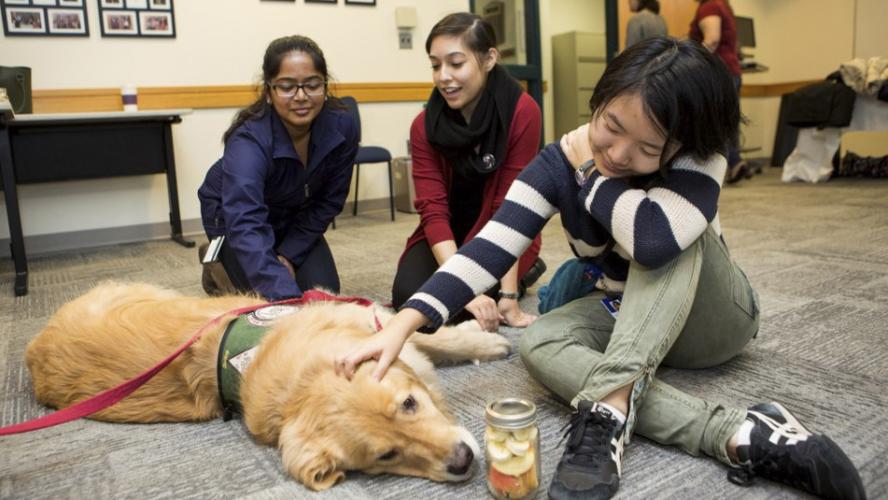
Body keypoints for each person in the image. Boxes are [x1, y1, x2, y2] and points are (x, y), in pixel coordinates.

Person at [335, 37, 865, 500]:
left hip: (712, 318)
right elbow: (492, 246)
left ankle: (607, 409)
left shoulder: (698, 155)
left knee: (665, 239)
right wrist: (403, 325)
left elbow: (654, 242)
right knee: (541, 341)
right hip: (628, 314)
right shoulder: (555, 161)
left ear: (678, 144)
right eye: (610, 126)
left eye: (648, 148)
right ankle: (737, 432)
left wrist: (592, 179)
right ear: (601, 98)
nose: (618, 152)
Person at [390, 12, 545, 332]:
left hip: (500, 234)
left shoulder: (522, 111)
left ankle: (523, 273)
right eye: (435, 65)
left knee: (465, 305)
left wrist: (509, 296)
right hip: (446, 233)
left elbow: (512, 210)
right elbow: (432, 211)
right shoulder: (424, 126)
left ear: (489, 59)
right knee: (409, 298)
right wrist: (461, 286)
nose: (443, 76)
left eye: (456, 63)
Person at [197, 35, 358, 301]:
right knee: (268, 303)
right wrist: (287, 299)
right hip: (234, 218)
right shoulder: (248, 140)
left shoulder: (342, 126)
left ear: (325, 85)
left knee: (324, 296)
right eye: (286, 86)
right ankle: (217, 264)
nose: (301, 96)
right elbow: (246, 221)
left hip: (292, 215)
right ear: (269, 91)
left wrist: (289, 255)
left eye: (312, 84)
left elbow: (329, 201)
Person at [690, 0, 748, 184]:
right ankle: (735, 162)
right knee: (728, 122)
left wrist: (689, 63)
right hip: (730, 70)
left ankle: (717, 170)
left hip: (717, 73)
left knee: (715, 123)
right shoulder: (723, 4)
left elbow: (712, 39)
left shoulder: (710, 6)